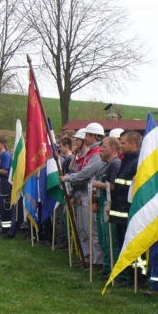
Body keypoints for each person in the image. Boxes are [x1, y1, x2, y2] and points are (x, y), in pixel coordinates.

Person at [61, 123, 105, 270]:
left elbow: (85, 174)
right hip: (82, 194)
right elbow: (77, 169)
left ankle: (96, 260)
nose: (85, 139)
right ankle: (87, 257)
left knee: (91, 230)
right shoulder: (89, 154)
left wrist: (68, 178)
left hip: (89, 194)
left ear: (92, 136)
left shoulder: (97, 154)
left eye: (87, 135)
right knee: (83, 229)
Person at [110, 131, 141, 287]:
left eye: (123, 143)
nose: (120, 146)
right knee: (123, 243)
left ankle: (138, 277)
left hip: (129, 211)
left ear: (132, 144)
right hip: (120, 211)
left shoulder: (137, 162)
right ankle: (130, 274)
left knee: (133, 245)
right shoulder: (126, 161)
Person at [91, 137, 121, 280]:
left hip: (109, 205)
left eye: (104, 147)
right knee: (103, 239)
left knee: (111, 239)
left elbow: (114, 186)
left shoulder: (115, 164)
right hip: (100, 202)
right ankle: (107, 266)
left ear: (113, 148)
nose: (100, 150)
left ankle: (114, 271)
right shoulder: (103, 165)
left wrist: (98, 185)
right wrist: (94, 200)